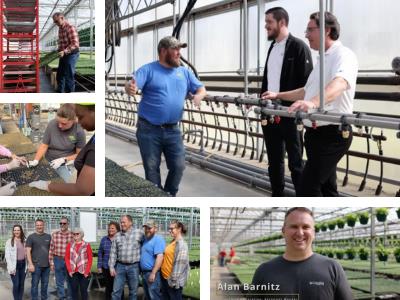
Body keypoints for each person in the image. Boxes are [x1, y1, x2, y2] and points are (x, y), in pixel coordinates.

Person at [262, 12, 358, 196]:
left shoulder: (343, 55)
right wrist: (277, 94)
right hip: (315, 134)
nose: (306, 34)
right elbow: (305, 91)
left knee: (307, 188)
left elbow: (340, 84)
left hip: (333, 133)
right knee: (327, 189)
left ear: (327, 30)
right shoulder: (322, 59)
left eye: (310, 30)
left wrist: (311, 103)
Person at [125, 36, 207, 196]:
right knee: (152, 169)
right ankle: (157, 197)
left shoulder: (184, 72)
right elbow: (130, 84)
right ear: (163, 51)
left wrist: (199, 95)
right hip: (149, 129)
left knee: (178, 166)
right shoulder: (148, 70)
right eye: (175, 49)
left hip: (173, 130)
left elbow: (201, 88)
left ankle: (169, 194)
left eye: (180, 49)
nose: (179, 53)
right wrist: (129, 88)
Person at [260, 7, 313, 196]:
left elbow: (308, 86)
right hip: (271, 112)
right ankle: (277, 195)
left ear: (281, 23)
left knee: (296, 162)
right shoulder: (273, 48)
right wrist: (260, 102)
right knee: (274, 161)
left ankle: (301, 198)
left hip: (291, 114)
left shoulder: (299, 47)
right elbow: (268, 80)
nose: (266, 26)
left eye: (269, 22)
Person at [252, 207, 353, 299]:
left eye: (305, 227)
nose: (300, 233)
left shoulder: (332, 268)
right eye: (294, 227)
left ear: (313, 233)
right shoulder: (264, 271)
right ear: (283, 231)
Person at [29, 103, 95, 195]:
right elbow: (44, 145)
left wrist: (63, 160)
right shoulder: (52, 124)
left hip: (65, 165)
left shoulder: (79, 131)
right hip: (49, 160)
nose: (60, 125)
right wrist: (36, 160)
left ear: (73, 120)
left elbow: (79, 154)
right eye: (58, 122)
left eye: (64, 123)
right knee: (38, 181)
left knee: (62, 185)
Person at [109, 215, 144, 300]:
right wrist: (111, 267)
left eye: (124, 222)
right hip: (120, 266)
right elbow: (113, 252)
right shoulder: (117, 235)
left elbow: (145, 247)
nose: (122, 224)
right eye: (121, 222)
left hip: (134, 266)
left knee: (133, 292)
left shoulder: (139, 233)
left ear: (130, 222)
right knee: (116, 292)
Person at [161, 220, 190, 300]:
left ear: (179, 229)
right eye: (169, 228)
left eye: (172, 228)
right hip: (165, 278)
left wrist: (171, 282)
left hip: (173, 282)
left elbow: (179, 267)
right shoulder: (173, 242)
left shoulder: (182, 245)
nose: (169, 230)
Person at [52, 12, 80, 93]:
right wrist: (59, 50)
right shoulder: (60, 29)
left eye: (56, 21)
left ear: (62, 18)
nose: (55, 23)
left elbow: (75, 43)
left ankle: (69, 93)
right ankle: (60, 91)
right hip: (64, 53)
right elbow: (61, 42)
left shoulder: (70, 28)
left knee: (69, 75)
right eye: (54, 22)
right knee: (60, 74)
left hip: (72, 54)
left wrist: (64, 51)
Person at [26, 219, 52, 300]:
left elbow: (52, 250)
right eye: (37, 225)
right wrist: (30, 264)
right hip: (36, 265)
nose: (39, 226)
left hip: (47, 266)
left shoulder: (48, 236)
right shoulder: (31, 237)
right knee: (34, 285)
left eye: (41, 225)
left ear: (43, 225)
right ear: (35, 226)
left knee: (45, 285)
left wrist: (52, 263)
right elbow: (28, 251)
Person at [49, 216, 74, 300]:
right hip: (58, 259)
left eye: (64, 223)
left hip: (69, 260)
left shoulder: (72, 235)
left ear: (68, 224)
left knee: (70, 280)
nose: (62, 225)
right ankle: (62, 297)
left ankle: (70, 297)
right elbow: (51, 249)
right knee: (59, 281)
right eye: (61, 223)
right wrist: (51, 263)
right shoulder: (55, 235)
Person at [140, 220, 166, 300]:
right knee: (148, 296)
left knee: (154, 296)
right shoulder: (145, 239)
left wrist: (153, 273)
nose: (147, 230)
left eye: (149, 228)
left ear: (155, 228)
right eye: (146, 228)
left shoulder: (158, 239)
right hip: (144, 273)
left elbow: (160, 257)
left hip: (152, 273)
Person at [65, 228, 93, 300]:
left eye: (77, 234)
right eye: (74, 234)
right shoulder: (70, 245)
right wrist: (69, 270)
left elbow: (90, 259)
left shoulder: (86, 245)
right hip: (73, 272)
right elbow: (67, 258)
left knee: (84, 291)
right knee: (74, 291)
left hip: (84, 272)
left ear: (81, 234)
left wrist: (87, 272)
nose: (75, 235)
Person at [98, 221, 121, 300]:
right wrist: (99, 266)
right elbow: (100, 253)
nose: (110, 229)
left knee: (118, 287)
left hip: (117, 267)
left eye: (112, 228)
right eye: (109, 228)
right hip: (106, 267)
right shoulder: (104, 239)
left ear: (117, 229)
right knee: (108, 286)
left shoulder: (120, 239)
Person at [5, 225, 27, 300]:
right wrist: (11, 267)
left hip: (23, 264)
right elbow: (7, 256)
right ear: (13, 231)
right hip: (14, 265)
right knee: (16, 284)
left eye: (18, 230)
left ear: (21, 231)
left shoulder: (24, 240)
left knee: (21, 284)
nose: (16, 232)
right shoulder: (9, 241)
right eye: (15, 230)